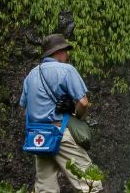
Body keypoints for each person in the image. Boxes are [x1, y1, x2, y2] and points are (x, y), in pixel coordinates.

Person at [18, 33, 99, 192]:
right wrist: (77, 115)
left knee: (45, 189)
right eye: (66, 51)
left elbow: (26, 109)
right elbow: (83, 102)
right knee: (90, 184)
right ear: (58, 52)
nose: (67, 55)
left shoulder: (31, 75)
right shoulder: (66, 70)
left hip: (39, 138)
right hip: (60, 133)